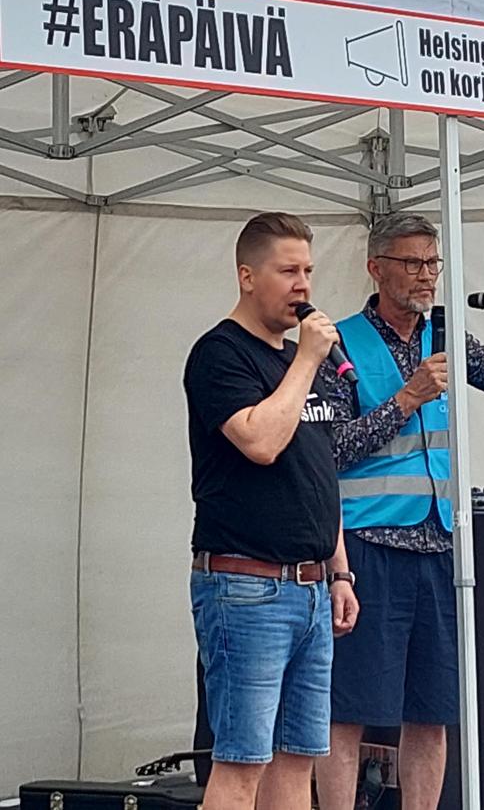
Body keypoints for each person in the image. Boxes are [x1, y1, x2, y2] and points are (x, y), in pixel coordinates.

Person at [315, 211, 484, 810]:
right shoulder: (338, 344)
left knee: (433, 708)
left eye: (433, 262)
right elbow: (329, 449)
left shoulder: (444, 336)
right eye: (413, 262)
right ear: (376, 267)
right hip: (367, 548)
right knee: (348, 707)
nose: (427, 275)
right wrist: (406, 398)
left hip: (441, 546)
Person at [184, 211, 359, 810]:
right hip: (246, 586)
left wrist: (339, 572)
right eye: (288, 271)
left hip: (311, 587)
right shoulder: (220, 354)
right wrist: (306, 361)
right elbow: (260, 442)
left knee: (297, 761)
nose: (303, 284)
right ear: (247, 276)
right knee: (242, 763)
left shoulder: (299, 362)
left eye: (308, 270)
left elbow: (320, 474)